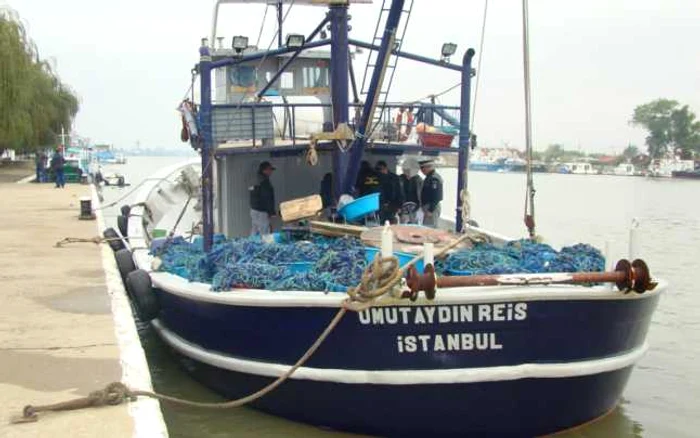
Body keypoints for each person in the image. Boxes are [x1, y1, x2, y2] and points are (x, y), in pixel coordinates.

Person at [249, 161, 276, 235]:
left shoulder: (254, 179)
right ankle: (264, 246)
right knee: (264, 231)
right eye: (270, 170)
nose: (271, 172)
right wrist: (271, 212)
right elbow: (267, 197)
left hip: (254, 209)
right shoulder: (264, 182)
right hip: (261, 211)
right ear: (264, 170)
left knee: (255, 230)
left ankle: (252, 244)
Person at [375, 160, 404, 224]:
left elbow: (399, 192)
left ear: (385, 168)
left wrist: (400, 206)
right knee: (382, 223)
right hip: (382, 205)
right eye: (378, 169)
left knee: (392, 223)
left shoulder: (394, 178)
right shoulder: (378, 177)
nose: (380, 171)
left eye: (381, 169)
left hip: (392, 204)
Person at [419, 159, 443, 228]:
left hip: (432, 207)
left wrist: (430, 210)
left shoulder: (434, 179)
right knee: (426, 227)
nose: (422, 171)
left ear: (429, 167)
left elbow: (436, 196)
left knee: (429, 228)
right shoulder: (429, 178)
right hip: (428, 207)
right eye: (421, 168)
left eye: (423, 168)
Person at [399, 159, 422, 224]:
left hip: (416, 206)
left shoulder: (418, 179)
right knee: (403, 225)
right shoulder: (400, 178)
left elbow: (422, 193)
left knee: (414, 225)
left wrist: (421, 206)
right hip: (403, 206)